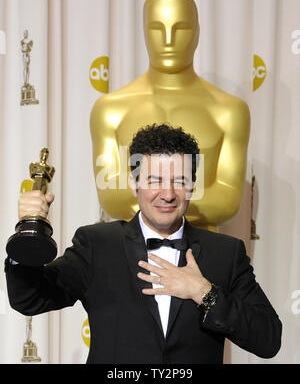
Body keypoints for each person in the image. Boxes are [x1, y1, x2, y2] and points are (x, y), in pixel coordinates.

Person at [5, 124, 281, 364]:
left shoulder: (225, 253)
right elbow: (29, 299)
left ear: (193, 185)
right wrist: (27, 234)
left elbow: (268, 339)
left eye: (179, 181)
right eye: (155, 180)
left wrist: (204, 292)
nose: (168, 194)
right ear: (134, 183)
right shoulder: (97, 244)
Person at [90, 0, 250, 231]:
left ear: (197, 34)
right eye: (157, 28)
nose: (168, 39)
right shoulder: (110, 109)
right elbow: (109, 194)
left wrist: (151, 200)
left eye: (181, 28)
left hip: (203, 254)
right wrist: (182, 199)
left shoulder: (229, 110)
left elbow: (228, 199)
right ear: (144, 32)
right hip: (127, 254)